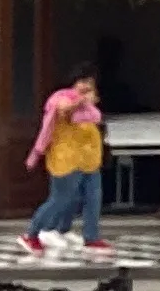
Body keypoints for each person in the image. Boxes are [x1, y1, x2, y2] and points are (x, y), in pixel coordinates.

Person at [20, 76, 108, 256]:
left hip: (88, 162)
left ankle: (91, 237)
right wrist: (81, 100)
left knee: (93, 198)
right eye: (83, 83)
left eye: (90, 86)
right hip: (66, 161)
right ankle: (31, 234)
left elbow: (95, 121)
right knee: (59, 199)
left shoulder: (91, 110)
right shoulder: (61, 97)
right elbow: (63, 110)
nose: (86, 88)